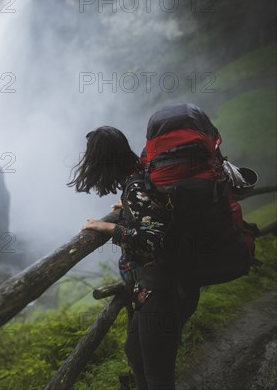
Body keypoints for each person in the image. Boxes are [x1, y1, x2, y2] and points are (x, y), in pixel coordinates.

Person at [67, 126, 200, 390]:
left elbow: (157, 241)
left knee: (157, 375)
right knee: (136, 354)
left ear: (102, 159)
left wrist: (111, 228)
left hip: (160, 291)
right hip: (162, 289)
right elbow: (156, 212)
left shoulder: (137, 187)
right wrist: (128, 208)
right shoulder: (142, 175)